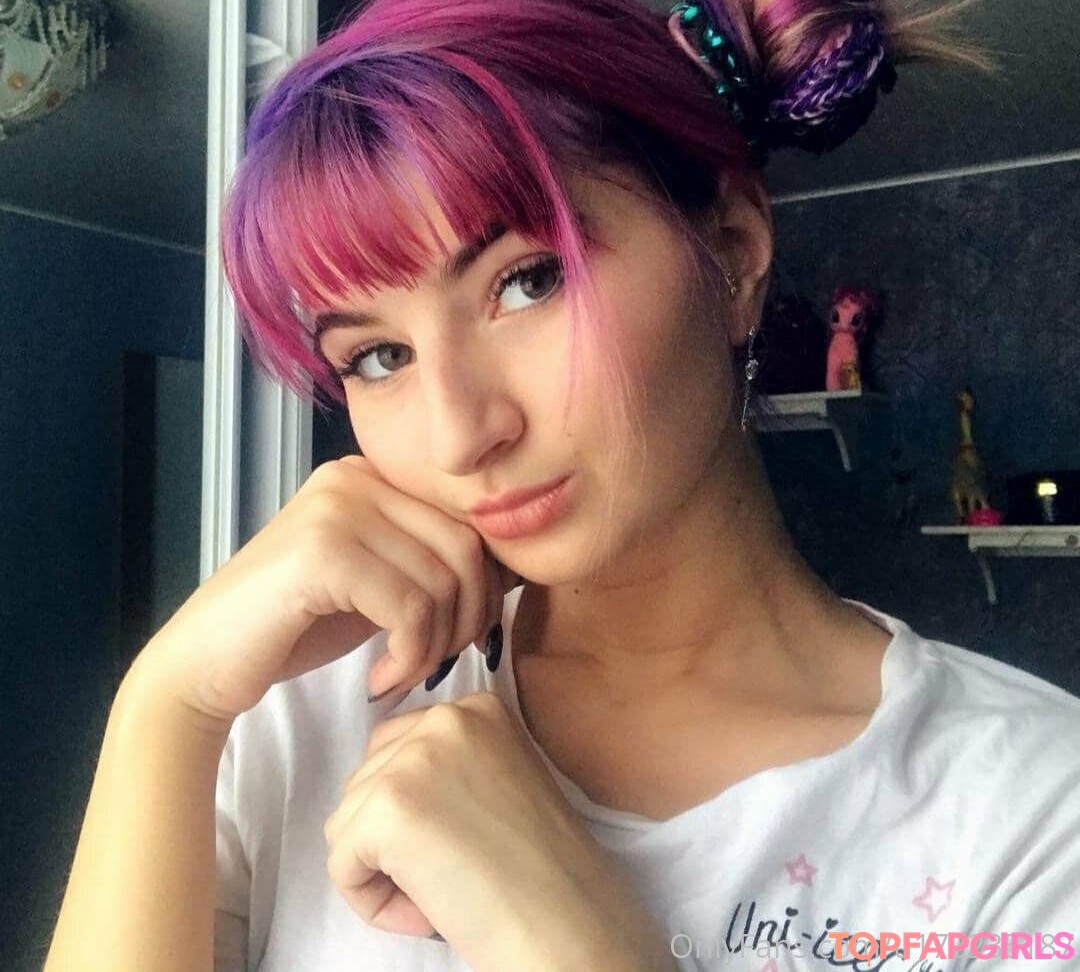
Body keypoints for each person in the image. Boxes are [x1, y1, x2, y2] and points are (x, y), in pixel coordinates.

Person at [44, 1, 1080, 971]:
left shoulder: (1031, 819)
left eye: (527, 281)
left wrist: (561, 931)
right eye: (377, 357)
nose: (462, 433)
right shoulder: (298, 723)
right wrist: (164, 707)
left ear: (731, 250)